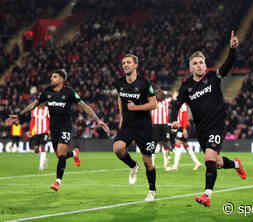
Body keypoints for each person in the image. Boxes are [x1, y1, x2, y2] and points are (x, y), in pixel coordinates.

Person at [171, 31, 247, 207]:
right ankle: (236, 164)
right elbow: (176, 104)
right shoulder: (186, 87)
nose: (199, 66)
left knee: (209, 160)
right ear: (190, 68)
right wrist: (174, 119)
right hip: (201, 130)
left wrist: (233, 50)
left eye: (201, 62)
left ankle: (207, 195)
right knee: (217, 163)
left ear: (205, 65)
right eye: (195, 63)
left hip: (217, 125)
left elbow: (227, 65)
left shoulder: (213, 77)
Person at [8, 69, 110, 191]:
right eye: (52, 76)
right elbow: (33, 104)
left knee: (61, 154)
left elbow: (84, 106)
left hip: (66, 127)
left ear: (62, 79)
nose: (51, 78)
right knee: (59, 155)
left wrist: (97, 119)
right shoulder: (47, 92)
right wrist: (19, 115)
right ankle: (74, 153)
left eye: (55, 77)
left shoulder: (69, 92)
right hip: (53, 128)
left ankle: (57, 182)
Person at [113, 54, 157, 201]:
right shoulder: (119, 83)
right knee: (118, 148)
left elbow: (153, 104)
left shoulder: (144, 83)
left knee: (148, 163)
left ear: (135, 65)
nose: (125, 65)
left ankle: (152, 190)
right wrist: (121, 116)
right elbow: (120, 98)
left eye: (128, 62)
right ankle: (133, 165)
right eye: (123, 62)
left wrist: (135, 107)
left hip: (144, 126)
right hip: (128, 124)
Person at [168, 99, 202, 171]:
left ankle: (175, 166)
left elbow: (185, 117)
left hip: (183, 127)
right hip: (181, 127)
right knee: (186, 145)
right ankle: (197, 162)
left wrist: (184, 129)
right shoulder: (181, 104)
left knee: (177, 143)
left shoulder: (183, 104)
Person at [151, 89, 172, 169]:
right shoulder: (154, 102)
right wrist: (164, 92)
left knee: (164, 145)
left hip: (162, 126)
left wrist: (164, 92)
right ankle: (153, 164)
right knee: (157, 145)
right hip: (158, 126)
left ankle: (165, 165)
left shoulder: (166, 102)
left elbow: (173, 95)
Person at [29, 104, 50, 170]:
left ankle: (41, 166)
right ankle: (44, 159)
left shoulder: (47, 110)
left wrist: (49, 130)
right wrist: (30, 130)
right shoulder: (34, 110)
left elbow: (50, 120)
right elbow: (32, 121)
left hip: (45, 131)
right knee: (36, 149)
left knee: (42, 146)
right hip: (37, 132)